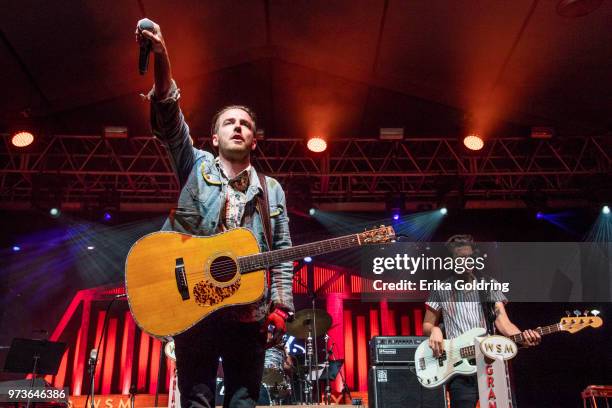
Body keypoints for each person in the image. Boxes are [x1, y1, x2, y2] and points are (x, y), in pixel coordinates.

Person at [135, 19, 294, 408]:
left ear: (254, 139)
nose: (237, 128)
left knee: (243, 402)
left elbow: (284, 251)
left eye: (245, 125)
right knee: (197, 400)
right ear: (215, 136)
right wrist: (162, 58)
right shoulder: (195, 168)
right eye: (229, 122)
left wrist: (281, 307)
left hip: (248, 315)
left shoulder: (271, 191)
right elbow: (169, 121)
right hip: (195, 308)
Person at [422, 234, 541, 408]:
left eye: (469, 258)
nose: (466, 262)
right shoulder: (441, 289)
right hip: (458, 369)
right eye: (460, 258)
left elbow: (504, 323)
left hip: (491, 363)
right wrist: (435, 330)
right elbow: (427, 324)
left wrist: (522, 336)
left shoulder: (488, 285)